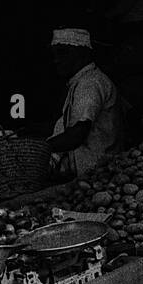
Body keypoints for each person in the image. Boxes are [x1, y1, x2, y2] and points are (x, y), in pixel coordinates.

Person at [46, 28, 122, 178]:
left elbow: (76, 135)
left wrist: (38, 148)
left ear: (82, 54)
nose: (56, 60)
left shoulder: (90, 83)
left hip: (96, 173)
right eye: (54, 55)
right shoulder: (80, 81)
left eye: (62, 53)